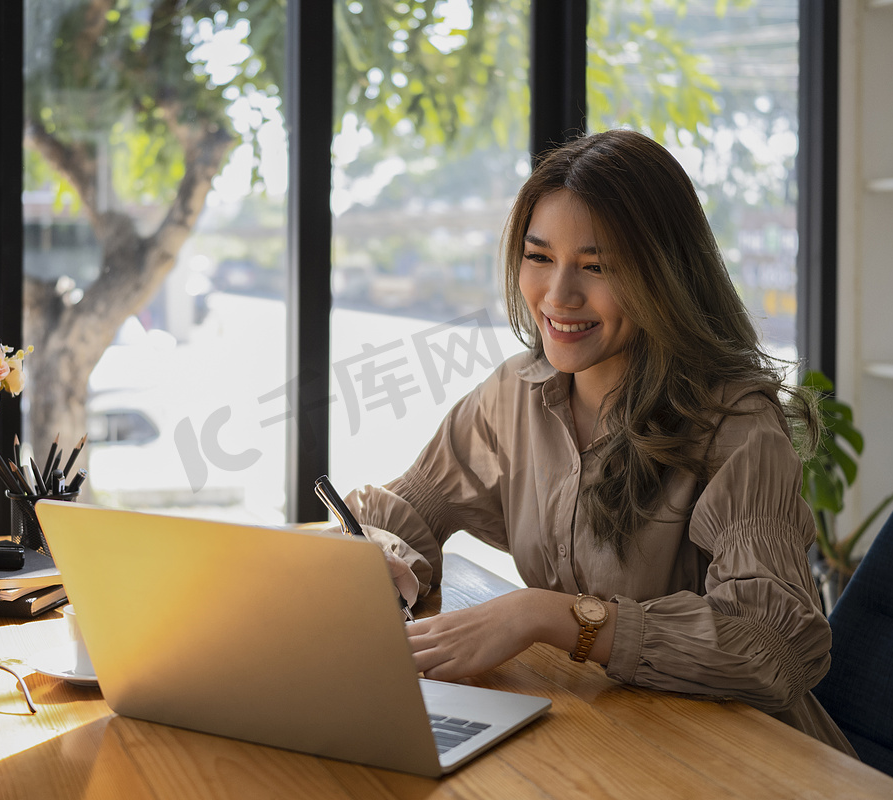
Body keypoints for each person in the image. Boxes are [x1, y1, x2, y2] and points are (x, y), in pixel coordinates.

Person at [345, 129, 855, 755]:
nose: (558, 295)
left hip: (746, 760)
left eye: (597, 266)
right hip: (615, 739)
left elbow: (774, 646)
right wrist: (382, 560)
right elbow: (403, 509)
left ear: (665, 275)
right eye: (539, 258)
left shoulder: (735, 426)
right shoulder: (515, 394)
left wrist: (552, 616)